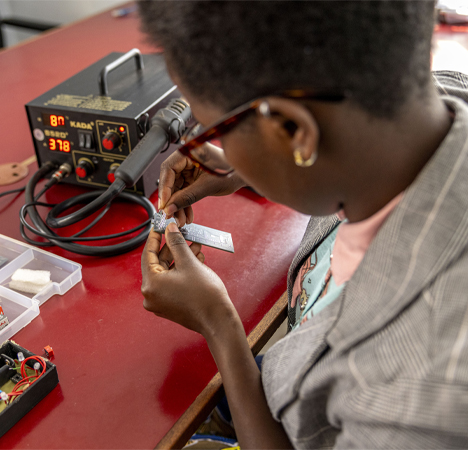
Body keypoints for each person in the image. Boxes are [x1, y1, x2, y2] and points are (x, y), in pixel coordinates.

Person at [138, 2, 468, 448]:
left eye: (213, 128)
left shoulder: (417, 397)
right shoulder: (419, 107)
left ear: (294, 132)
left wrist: (219, 326)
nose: (209, 144)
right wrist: (247, 166)